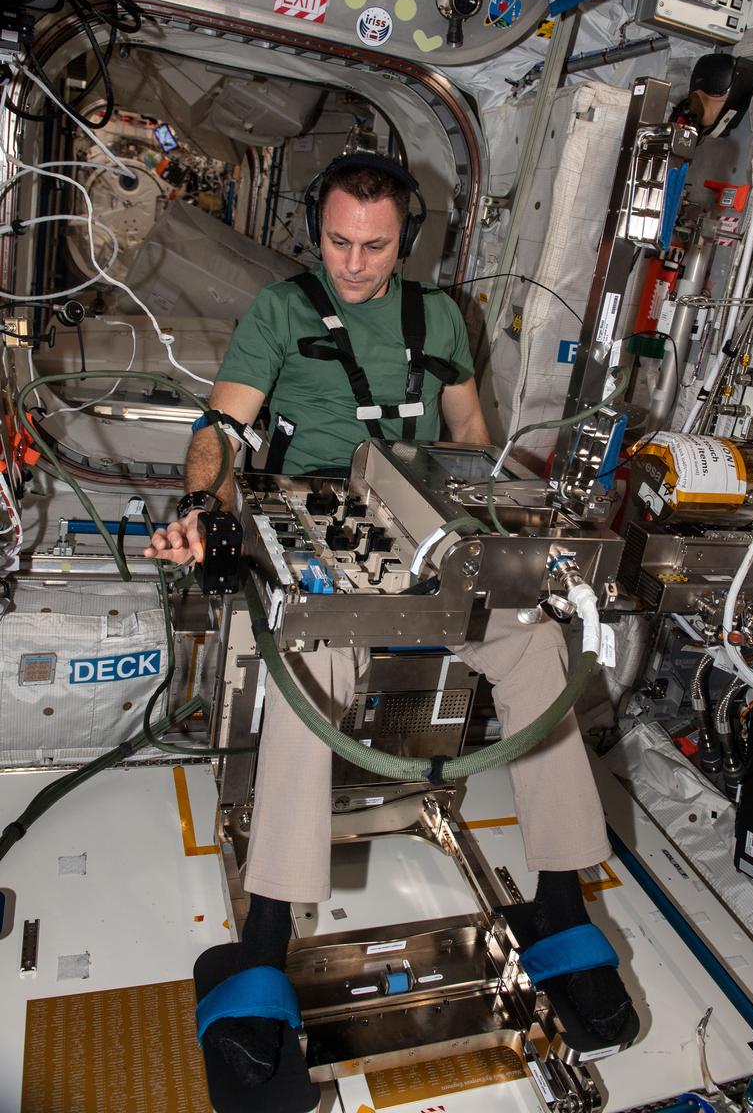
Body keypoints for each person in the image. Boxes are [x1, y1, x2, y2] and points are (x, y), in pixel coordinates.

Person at [146, 154, 637, 1102]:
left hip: (429, 524)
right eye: (338, 242)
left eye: (375, 247)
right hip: (320, 516)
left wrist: (507, 520)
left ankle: (559, 901)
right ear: (314, 231)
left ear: (404, 240)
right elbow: (220, 429)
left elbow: (470, 437)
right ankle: (266, 939)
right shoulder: (280, 311)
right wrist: (203, 505)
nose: (355, 263)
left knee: (537, 645)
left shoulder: (441, 318)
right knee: (312, 660)